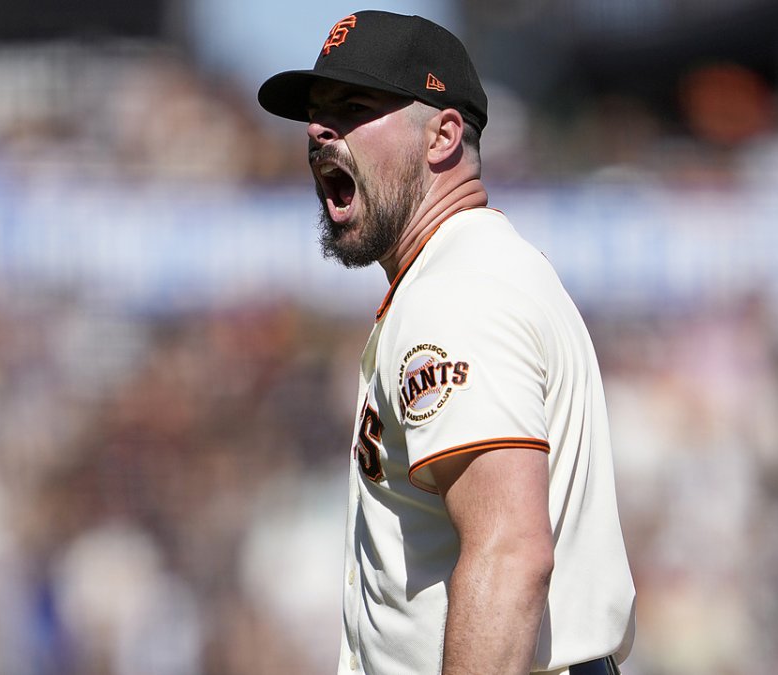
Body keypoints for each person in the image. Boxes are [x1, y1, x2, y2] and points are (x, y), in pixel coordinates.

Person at [258, 11, 636, 674]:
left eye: (353, 106)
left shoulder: (458, 291)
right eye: (317, 114)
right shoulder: (467, 273)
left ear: (444, 135)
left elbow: (509, 552)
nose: (319, 131)